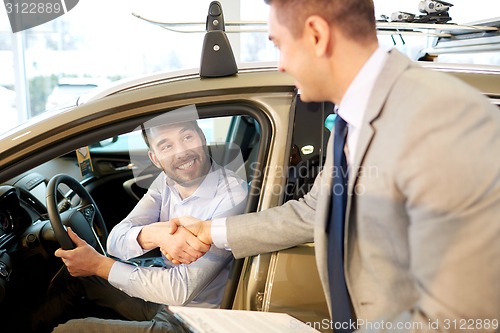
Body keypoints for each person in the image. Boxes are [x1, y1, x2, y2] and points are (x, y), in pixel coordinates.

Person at [166, 0, 500, 332]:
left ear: (316, 34)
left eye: (280, 45)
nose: (281, 65)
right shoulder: (349, 121)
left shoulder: (444, 121)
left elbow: (460, 317)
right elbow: (315, 210)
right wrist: (213, 230)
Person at [34, 118, 248, 333]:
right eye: (167, 146)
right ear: (155, 159)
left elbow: (181, 289)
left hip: (193, 321)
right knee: (75, 277)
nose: (181, 152)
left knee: (70, 331)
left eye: (187, 137)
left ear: (202, 137)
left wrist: (99, 265)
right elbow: (115, 241)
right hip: (164, 299)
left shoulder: (231, 195)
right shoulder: (166, 181)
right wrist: (157, 235)